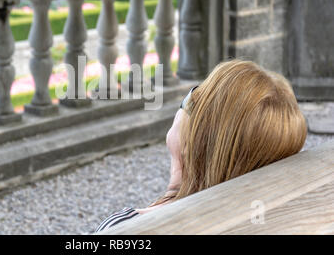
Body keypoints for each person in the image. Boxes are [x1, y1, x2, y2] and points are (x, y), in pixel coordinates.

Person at [95, 60, 307, 232]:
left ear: (198, 138)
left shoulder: (124, 229)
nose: (187, 101)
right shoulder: (282, 219)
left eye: (193, 97)